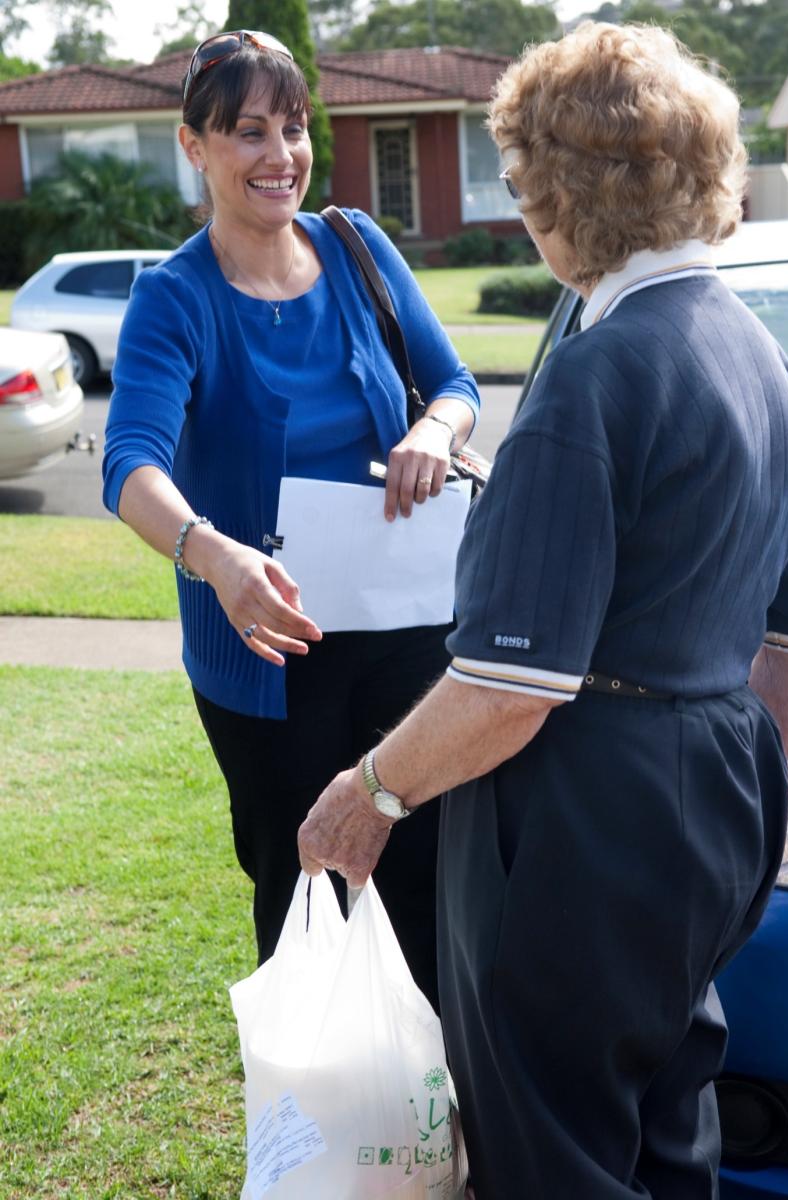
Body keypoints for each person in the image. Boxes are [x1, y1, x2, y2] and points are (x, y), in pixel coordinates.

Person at [299, 21, 788, 1199]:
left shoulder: (596, 371)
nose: (521, 205)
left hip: (585, 803)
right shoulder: (759, 359)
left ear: (563, 192)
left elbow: (508, 689)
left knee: (550, 1148)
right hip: (718, 785)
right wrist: (717, 779)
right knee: (668, 1117)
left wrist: (365, 789)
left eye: (522, 182)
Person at [102, 29, 479, 1011]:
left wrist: (435, 431)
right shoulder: (173, 299)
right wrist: (212, 556)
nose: (282, 156)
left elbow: (453, 383)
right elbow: (128, 462)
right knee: (306, 898)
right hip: (267, 658)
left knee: (428, 890)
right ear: (194, 145)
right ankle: (319, 1132)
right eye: (249, 132)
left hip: (407, 643)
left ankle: (434, 1128)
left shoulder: (358, 245)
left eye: (296, 127)